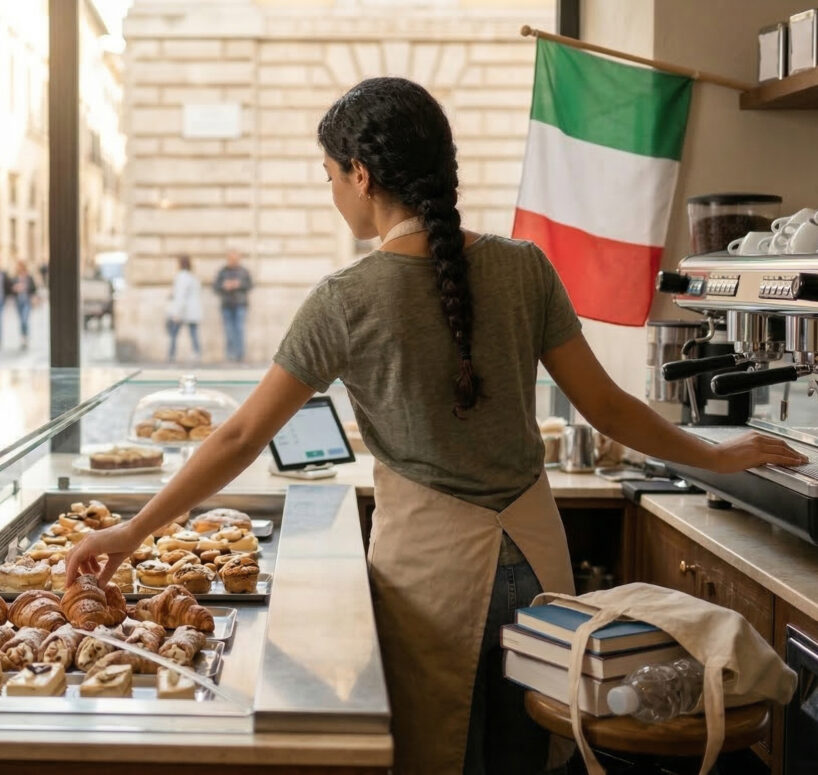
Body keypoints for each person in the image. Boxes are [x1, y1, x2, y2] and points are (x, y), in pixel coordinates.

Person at [64, 77, 804, 775]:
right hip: (539, 564)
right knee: (533, 755)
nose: (331, 193)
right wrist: (717, 452)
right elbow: (607, 406)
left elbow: (237, 437)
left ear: (360, 175)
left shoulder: (344, 298)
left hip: (430, 577)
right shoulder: (525, 268)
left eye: (327, 175)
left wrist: (131, 532)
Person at [213, 249, 252, 362]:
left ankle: (240, 355)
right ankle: (230, 355)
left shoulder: (244, 271)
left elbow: (249, 285)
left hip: (240, 304)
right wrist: (224, 286)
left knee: (239, 329)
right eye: (231, 258)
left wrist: (238, 284)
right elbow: (216, 287)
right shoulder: (222, 272)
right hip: (226, 304)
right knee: (228, 330)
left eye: (235, 258)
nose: (233, 260)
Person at [166, 254, 203, 363]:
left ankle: (171, 354)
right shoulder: (193, 277)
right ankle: (196, 352)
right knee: (193, 333)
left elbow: (180, 295)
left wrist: (176, 312)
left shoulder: (181, 277)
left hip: (183, 310)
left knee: (174, 334)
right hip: (192, 310)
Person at [12, 261, 38, 350]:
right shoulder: (15, 277)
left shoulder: (29, 277)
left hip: (27, 302)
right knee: (21, 321)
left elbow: (34, 288)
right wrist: (15, 288)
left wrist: (25, 288)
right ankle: (23, 338)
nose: (19, 268)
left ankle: (25, 338)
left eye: (20, 266)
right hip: (18, 302)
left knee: (24, 320)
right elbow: (10, 288)